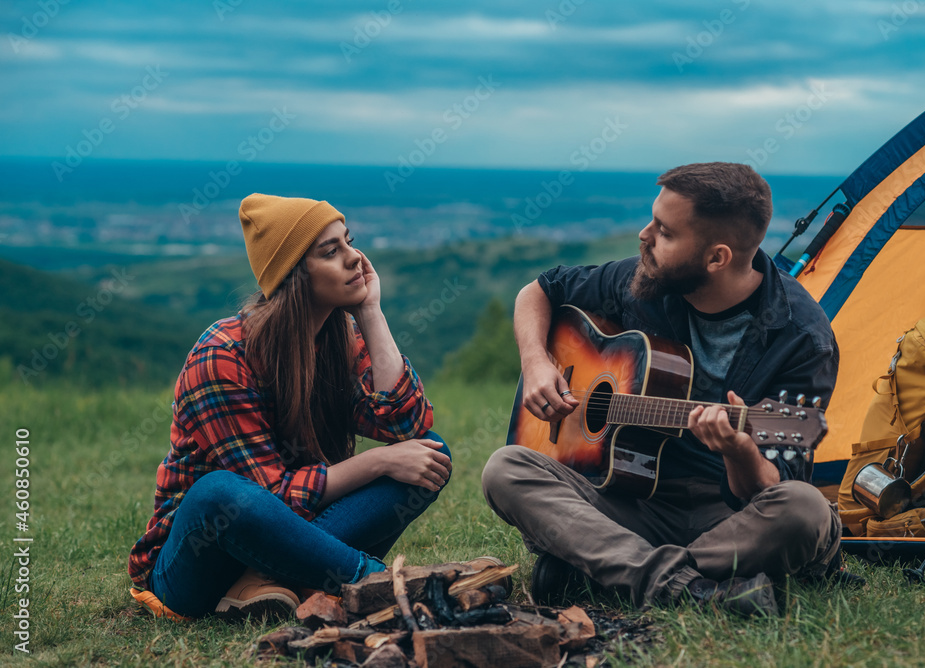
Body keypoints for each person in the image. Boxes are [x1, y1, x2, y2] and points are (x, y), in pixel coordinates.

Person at [482, 162, 842, 616]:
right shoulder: (643, 281)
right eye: (653, 220)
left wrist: (737, 450)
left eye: (665, 232)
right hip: (632, 500)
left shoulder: (802, 338)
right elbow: (540, 290)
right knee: (505, 469)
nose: (644, 235)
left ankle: (612, 569)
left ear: (717, 258)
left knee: (803, 511)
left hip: (725, 516)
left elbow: (773, 488)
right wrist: (536, 362)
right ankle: (690, 586)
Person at [128, 194, 452, 620]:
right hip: (198, 562)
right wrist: (378, 463)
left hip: (297, 532)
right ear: (295, 274)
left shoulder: (339, 338)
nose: (355, 258)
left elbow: (406, 424)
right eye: (331, 251)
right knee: (219, 494)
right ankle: (368, 579)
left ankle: (281, 580)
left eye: (349, 242)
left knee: (430, 452)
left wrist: (371, 311)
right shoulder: (222, 356)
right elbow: (271, 497)